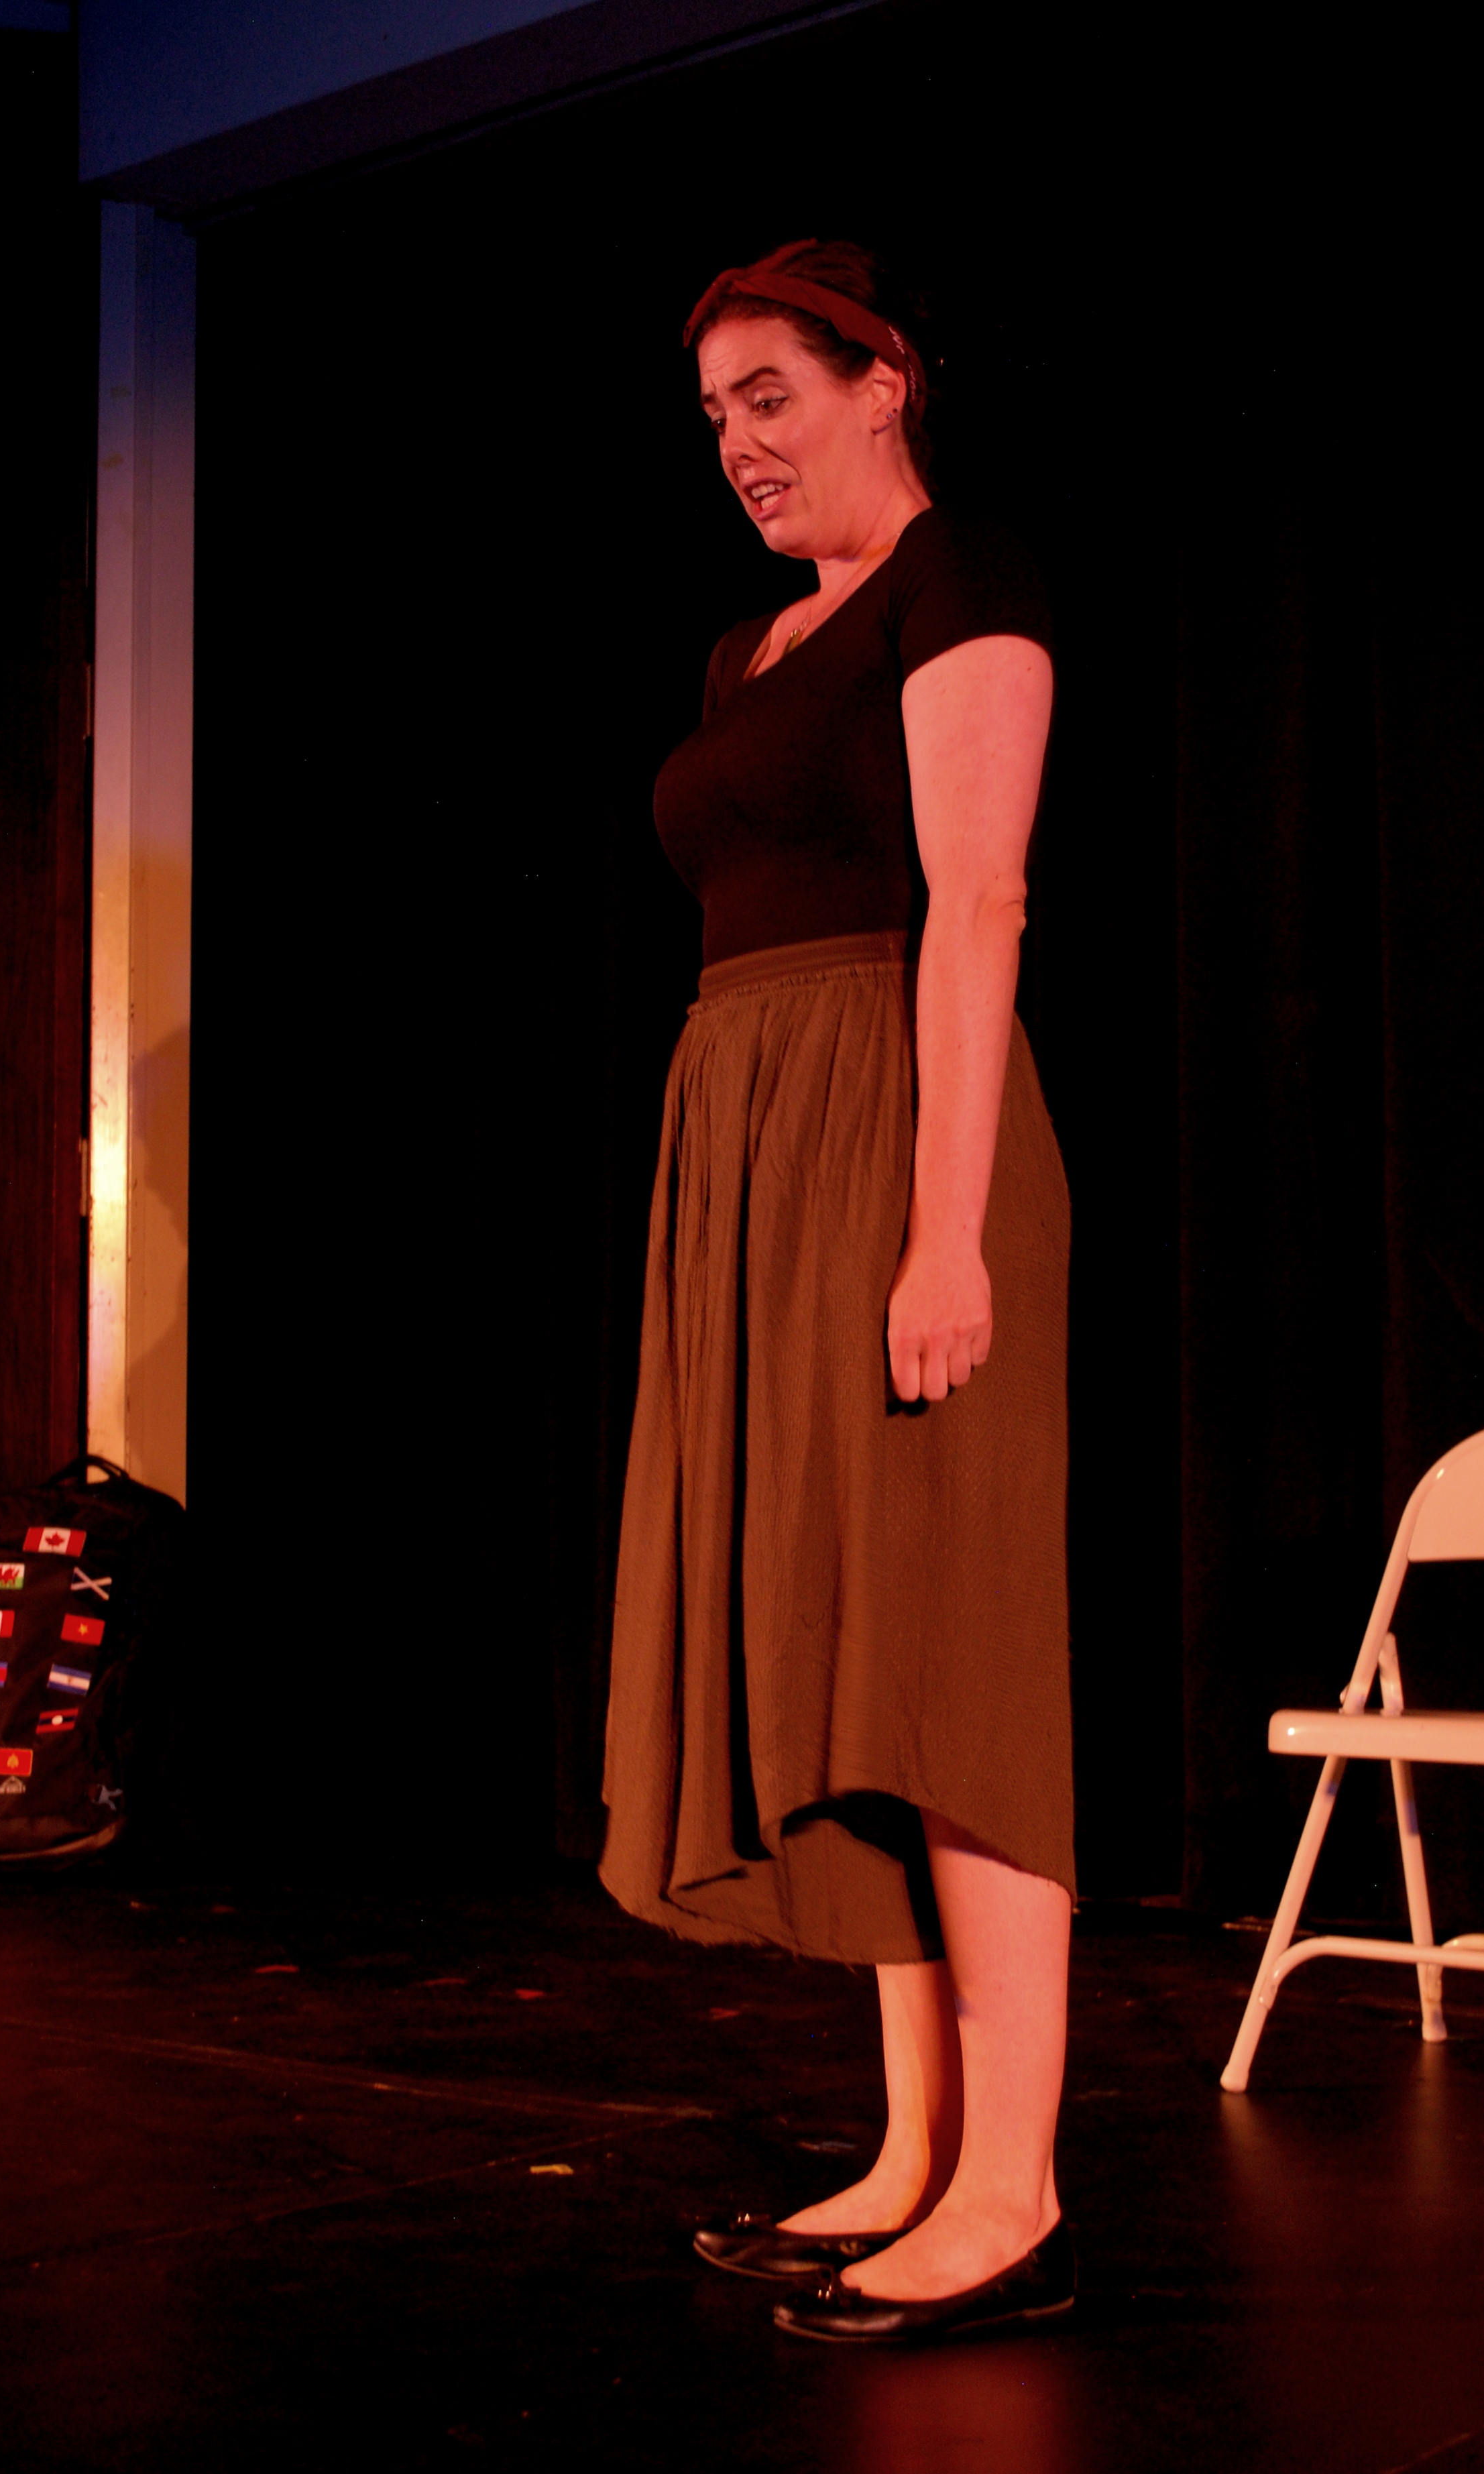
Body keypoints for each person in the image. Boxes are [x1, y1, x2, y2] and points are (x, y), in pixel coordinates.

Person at [598, 238, 1076, 2347]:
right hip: (752, 1144)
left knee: (947, 1656)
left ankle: (1013, 2187)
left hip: (900, 1134)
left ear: (883, 382)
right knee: (848, 1655)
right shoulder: (748, 647)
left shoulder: (956, 587)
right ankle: (911, 2143)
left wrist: (941, 1228)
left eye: (771, 395)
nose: (738, 443)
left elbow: (977, 903)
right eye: (715, 414)